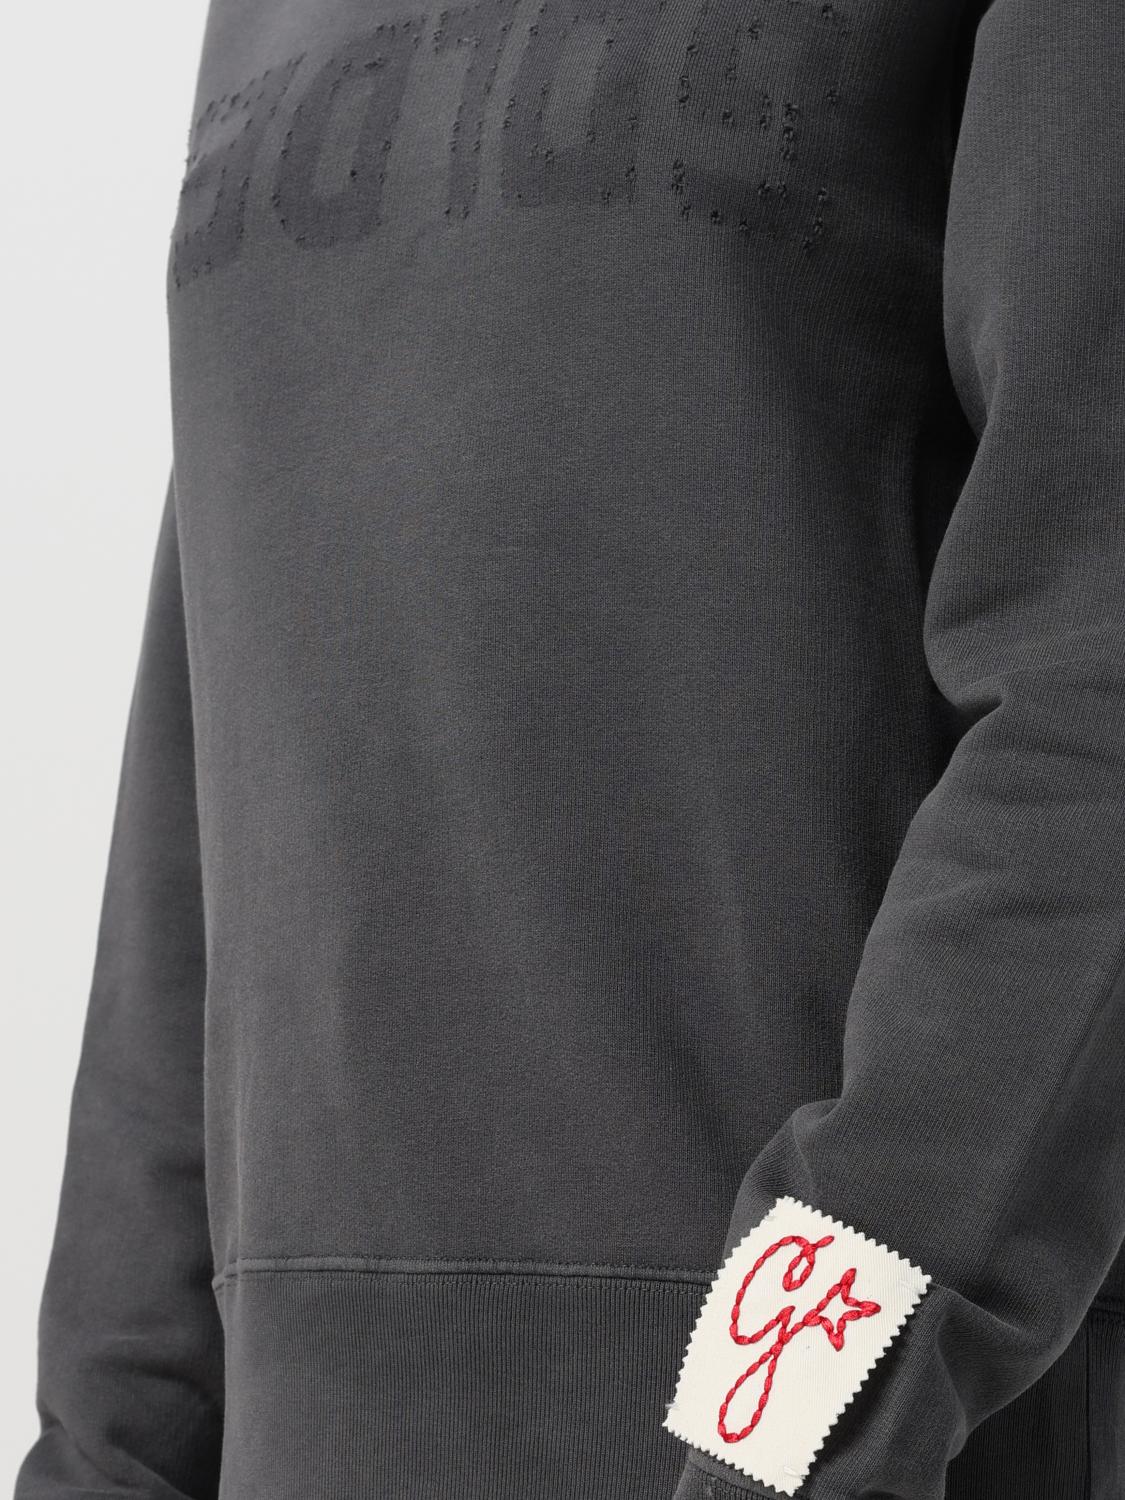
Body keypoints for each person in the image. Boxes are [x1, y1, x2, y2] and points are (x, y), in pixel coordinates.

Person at [13, 0, 1125, 1496]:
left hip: (850, 1450)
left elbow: (1089, 695)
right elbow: (221, 739)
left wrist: (774, 1449)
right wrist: (104, 1454)